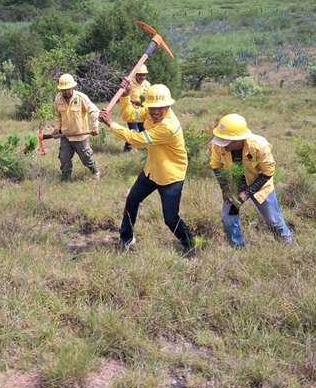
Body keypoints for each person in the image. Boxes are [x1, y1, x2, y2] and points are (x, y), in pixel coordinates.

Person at [98, 79, 197, 257]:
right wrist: (125, 96)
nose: (156, 112)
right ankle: (126, 238)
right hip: (152, 170)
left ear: (168, 106)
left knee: (170, 218)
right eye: (152, 108)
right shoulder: (149, 112)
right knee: (132, 200)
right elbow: (130, 115)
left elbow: (136, 139)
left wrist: (110, 124)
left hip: (170, 176)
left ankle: (189, 243)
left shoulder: (169, 127)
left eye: (161, 108)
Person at [210, 113, 292, 248]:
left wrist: (247, 193)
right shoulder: (218, 145)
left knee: (273, 220)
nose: (222, 144)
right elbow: (216, 167)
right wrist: (225, 189)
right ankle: (238, 249)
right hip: (234, 186)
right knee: (229, 220)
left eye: (226, 141)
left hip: (260, 185)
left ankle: (287, 245)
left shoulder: (259, 145)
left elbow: (268, 172)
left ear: (238, 139)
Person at [53, 73, 100, 182]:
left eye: (68, 89)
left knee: (86, 157)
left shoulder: (81, 98)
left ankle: (95, 171)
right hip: (65, 135)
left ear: (73, 87)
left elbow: (94, 111)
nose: (66, 92)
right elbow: (58, 115)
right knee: (64, 158)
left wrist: (95, 126)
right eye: (63, 90)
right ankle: (66, 178)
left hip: (80, 135)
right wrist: (56, 129)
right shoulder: (58, 99)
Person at [123, 64, 151, 152]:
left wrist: (141, 103)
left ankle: (144, 150)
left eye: (144, 75)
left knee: (143, 131)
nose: (142, 77)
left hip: (143, 112)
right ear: (136, 74)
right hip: (132, 112)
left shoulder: (147, 85)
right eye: (140, 75)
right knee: (134, 131)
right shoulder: (130, 84)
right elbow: (125, 96)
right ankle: (127, 148)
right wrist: (132, 101)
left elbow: (149, 99)